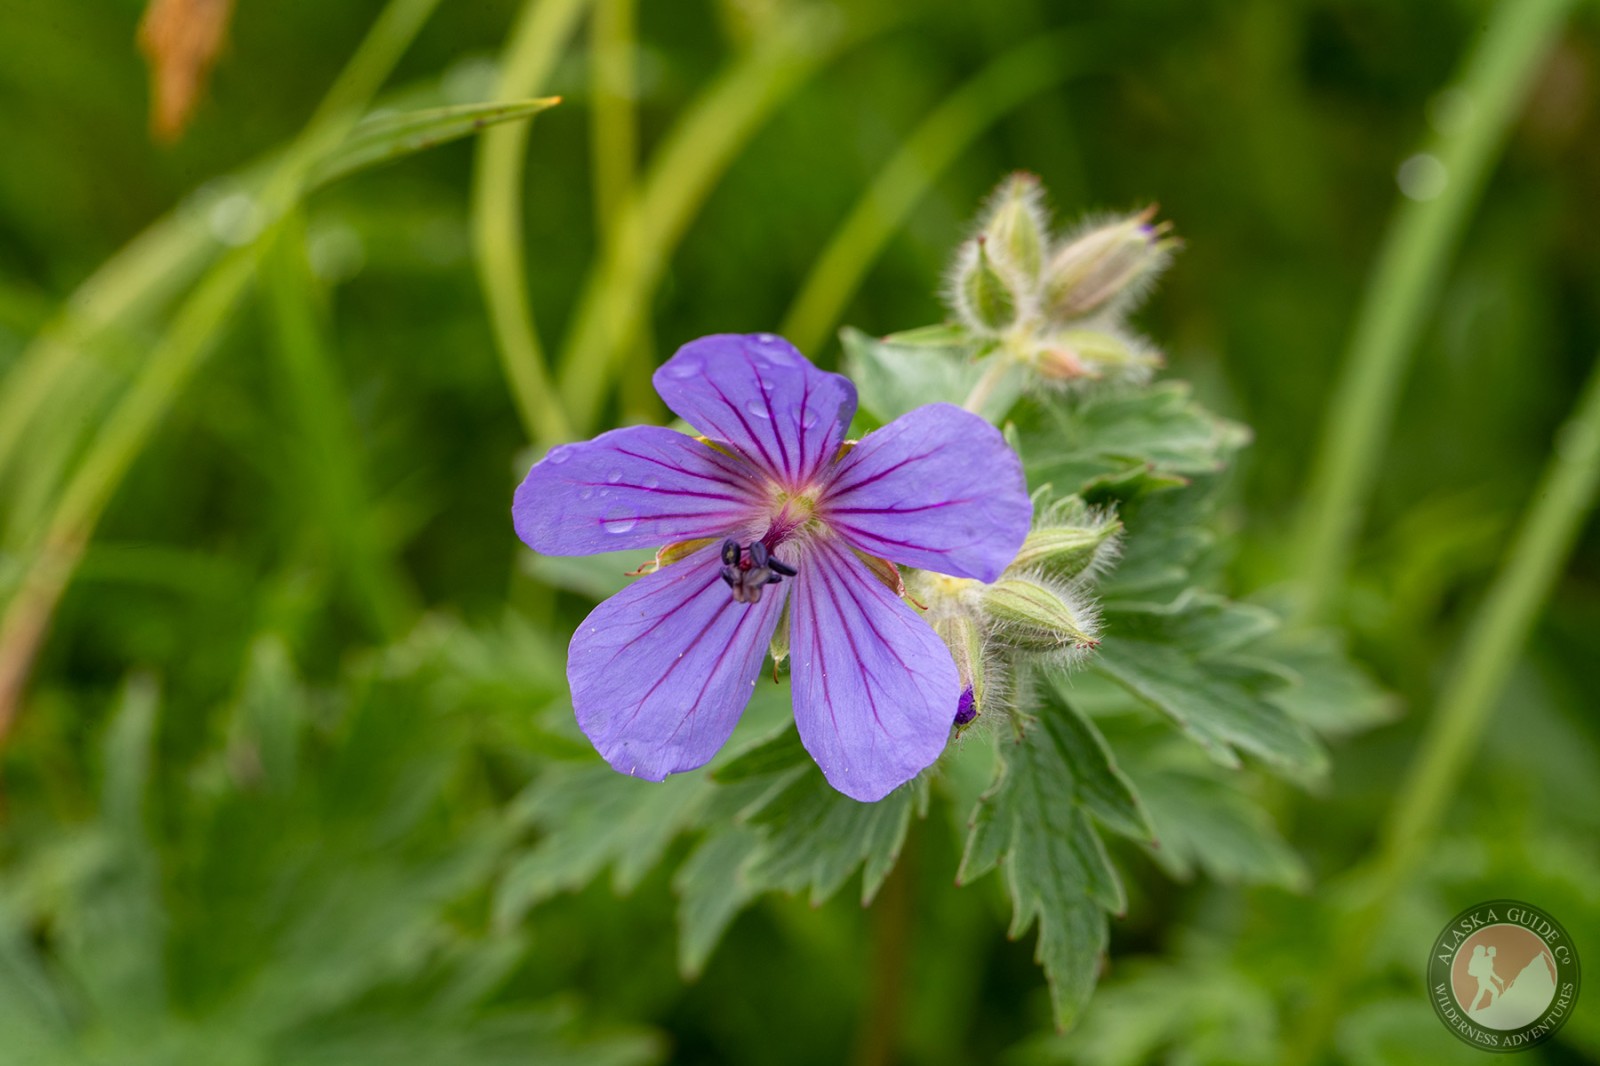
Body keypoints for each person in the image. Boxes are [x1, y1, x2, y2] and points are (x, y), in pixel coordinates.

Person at [1467, 944, 1505, 1011]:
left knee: (1480, 995)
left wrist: (1498, 979)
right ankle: (1493, 1008)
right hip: (1483, 979)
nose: (1495, 952)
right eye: (1494, 951)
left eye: (1495, 951)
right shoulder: (1487, 959)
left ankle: (1471, 1009)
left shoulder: (1488, 959)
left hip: (1484, 979)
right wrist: (1498, 979)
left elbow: (1490, 971)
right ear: (1490, 952)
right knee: (1495, 991)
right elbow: (1490, 972)